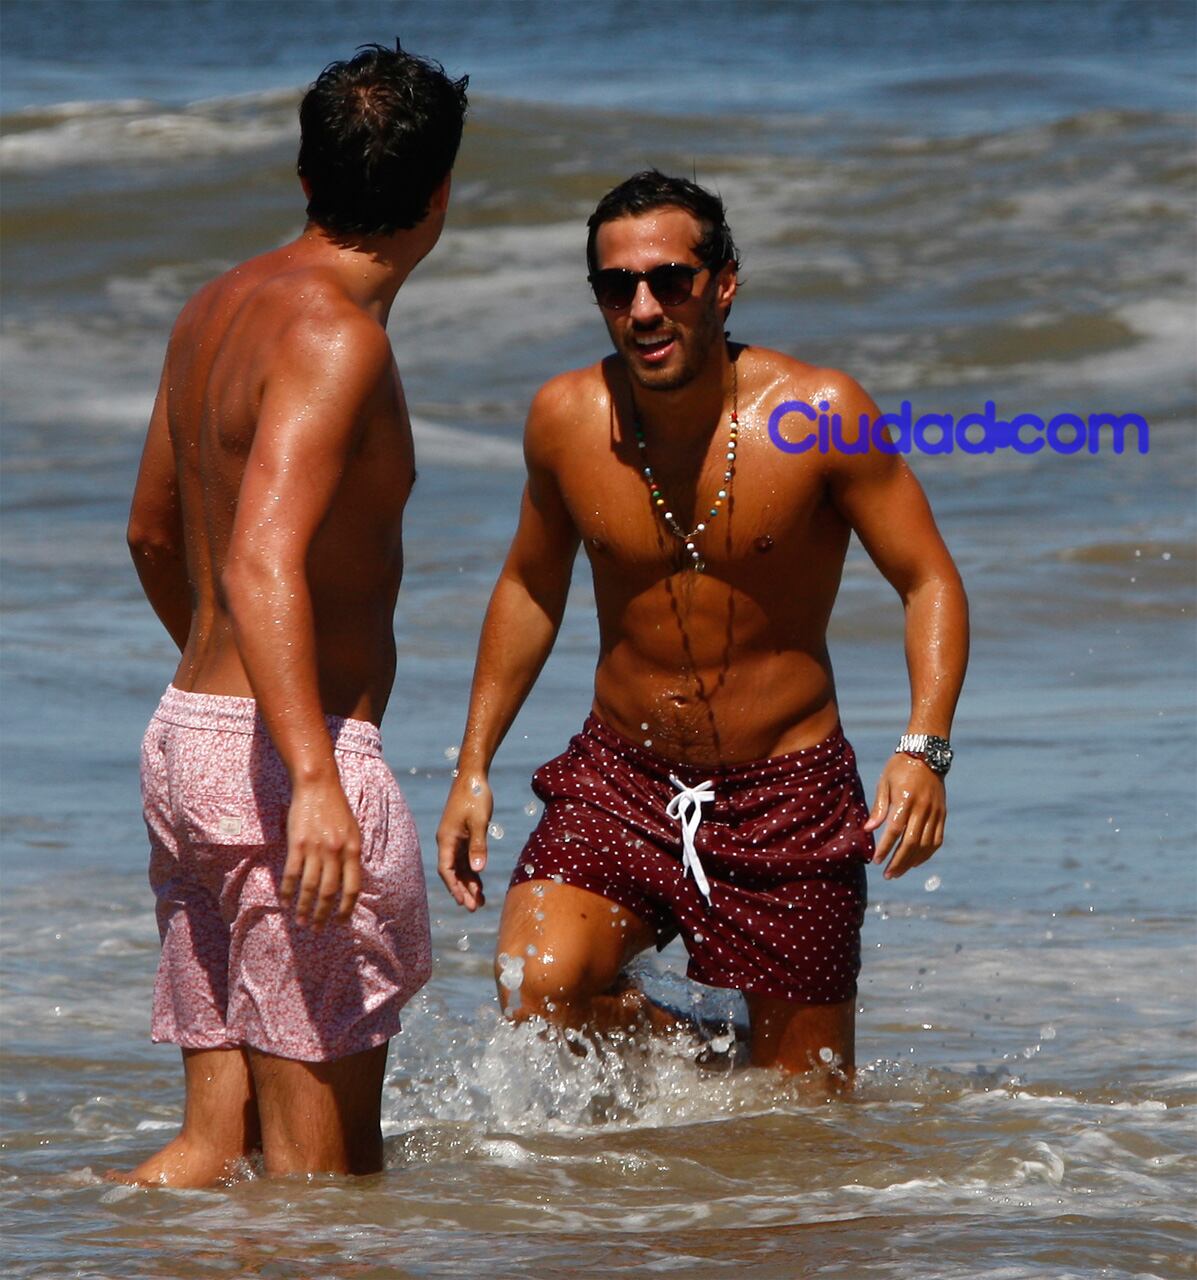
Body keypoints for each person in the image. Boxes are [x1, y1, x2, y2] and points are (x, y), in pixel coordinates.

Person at [437, 170, 968, 1087]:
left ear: (722, 283)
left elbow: (928, 580)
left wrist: (924, 747)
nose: (643, 308)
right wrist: (473, 766)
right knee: (538, 988)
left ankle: (749, 1073)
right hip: (623, 781)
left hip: (788, 795)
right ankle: (709, 1060)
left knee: (801, 1112)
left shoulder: (819, 415)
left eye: (669, 281)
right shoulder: (566, 420)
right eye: (616, 287)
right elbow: (529, 585)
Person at [118, 44, 467, 1186]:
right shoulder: (338, 338)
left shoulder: (217, 307)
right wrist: (310, 774)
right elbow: (267, 561)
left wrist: (216, 721)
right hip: (287, 758)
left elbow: (154, 535)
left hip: (189, 738)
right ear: (438, 196)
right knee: (327, 1190)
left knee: (216, 1155)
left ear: (306, 179)